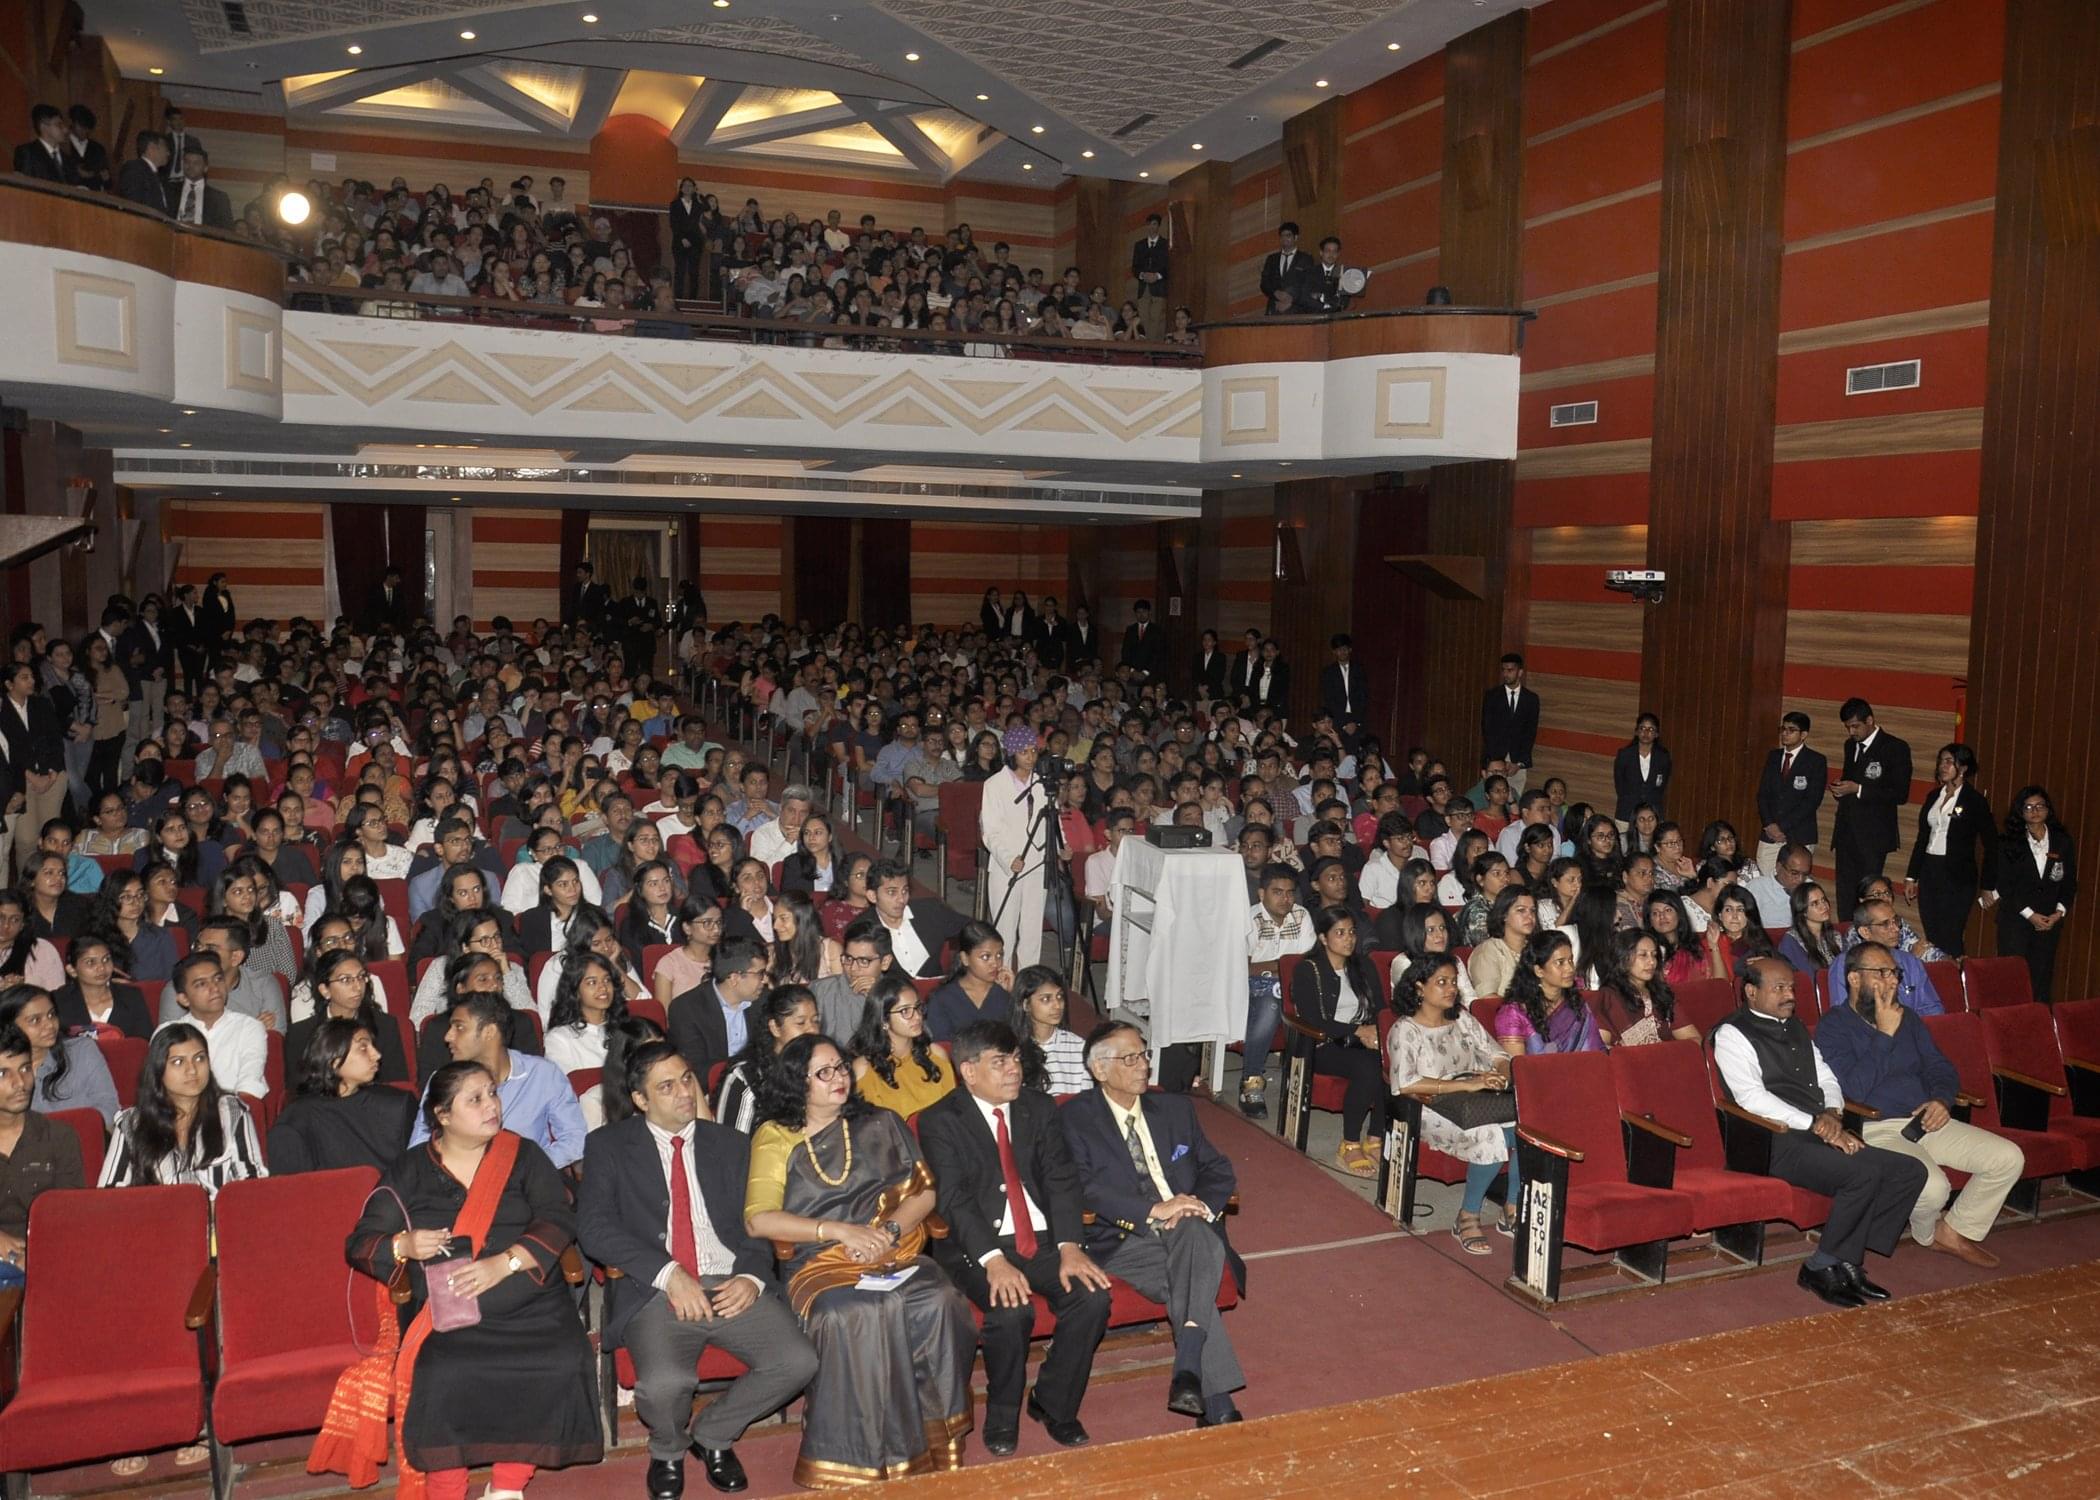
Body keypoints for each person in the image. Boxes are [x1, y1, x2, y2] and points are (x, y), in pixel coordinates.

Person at [334, 1062, 602, 1500]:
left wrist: (505, 1263)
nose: (491, 1105)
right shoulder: (410, 1169)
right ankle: (448, 1487)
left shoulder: (523, 1154)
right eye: (475, 1099)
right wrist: (404, 1244)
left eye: (492, 1093)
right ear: (442, 1115)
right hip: (451, 1311)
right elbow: (361, 1242)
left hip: (530, 1301)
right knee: (441, 1372)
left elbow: (557, 1216)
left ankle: (507, 1485)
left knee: (561, 1358)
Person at [579, 1040, 819, 1499]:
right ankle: (668, 1448)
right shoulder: (609, 1146)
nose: (685, 1092)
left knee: (798, 1362)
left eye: (687, 1079)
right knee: (666, 1384)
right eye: (666, 1087)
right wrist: (669, 1274)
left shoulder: (730, 1143)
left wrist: (751, 1276)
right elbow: (593, 1228)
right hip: (656, 1289)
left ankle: (713, 1433)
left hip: (730, 1281)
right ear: (640, 1099)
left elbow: (757, 1219)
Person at [743, 1034, 976, 1485]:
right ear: (797, 1082)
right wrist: (838, 1231)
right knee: (855, 1314)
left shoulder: (881, 1122)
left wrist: (888, 1232)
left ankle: (939, 1439)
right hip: (820, 1260)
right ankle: (856, 1456)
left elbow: (924, 1193)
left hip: (891, 1248)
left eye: (841, 1067)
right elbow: (759, 1220)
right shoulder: (775, 1136)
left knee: (939, 1300)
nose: (839, 1078)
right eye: (824, 1072)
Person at [917, 1020, 1112, 1456]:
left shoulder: (1037, 1108)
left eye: (1017, 1059)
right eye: (1000, 1062)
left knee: (1091, 1296)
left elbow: (1061, 1178)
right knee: (1011, 1309)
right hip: (976, 1247)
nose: (1014, 1070)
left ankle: (1054, 1402)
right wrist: (993, 1260)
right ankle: (1002, 1413)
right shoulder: (940, 1120)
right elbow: (954, 1200)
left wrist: (1070, 1246)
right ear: (968, 1071)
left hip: (1041, 1238)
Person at [1710, 955, 1930, 1308]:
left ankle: (1845, 1256)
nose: (1789, 995)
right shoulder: (1731, 1033)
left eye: (1791, 987)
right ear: (1751, 992)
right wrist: (1816, 1124)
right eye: (1779, 988)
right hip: (1773, 1141)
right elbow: (1751, 1098)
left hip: (1818, 1131)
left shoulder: (1795, 1025)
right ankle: (1819, 1266)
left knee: (1908, 1171)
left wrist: (1831, 1112)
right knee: (1862, 1175)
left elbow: (1826, 1076)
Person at [1062, 1021, 1246, 1424]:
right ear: (1099, 1069)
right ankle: (1213, 1396)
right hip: (1123, 1237)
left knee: (1191, 1232)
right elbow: (1082, 1186)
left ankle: (1192, 1370)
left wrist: (1197, 1205)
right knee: (1191, 1276)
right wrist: (1152, 1210)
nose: (1144, 1065)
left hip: (1188, 1228)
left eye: (1143, 1055)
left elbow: (1218, 1168)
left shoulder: (1175, 1109)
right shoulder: (1075, 1118)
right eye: (1130, 1059)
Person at [1816, 943, 2023, 1270]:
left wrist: (1941, 1100)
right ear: (1854, 979)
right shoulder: (1833, 1026)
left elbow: (1941, 1068)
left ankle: (1952, 1231)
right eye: (1881, 973)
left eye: (1895, 973)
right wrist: (1884, 1035)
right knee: (1934, 1188)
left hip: (1926, 1121)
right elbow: (1852, 1089)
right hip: (1876, 1128)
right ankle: (1928, 1234)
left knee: (2008, 1158)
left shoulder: (1907, 1018)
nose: (1892, 981)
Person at [1385, 953, 1518, 1254]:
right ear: (1419, 987)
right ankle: (1467, 1216)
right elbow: (1405, 1083)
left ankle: (1511, 1208)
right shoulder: (1405, 1030)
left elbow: (1498, 1054)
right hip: (1431, 1106)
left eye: (1454, 982)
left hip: (1476, 1100)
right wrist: (1465, 1085)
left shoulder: (1462, 1019)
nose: (1451, 989)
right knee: (1490, 1135)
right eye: (1441, 982)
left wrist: (1500, 1074)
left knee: (1526, 1128)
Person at [409, 993, 587, 1170]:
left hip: (527, 1182)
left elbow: (575, 1139)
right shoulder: (444, 1081)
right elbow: (419, 1147)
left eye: (459, 1027)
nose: (448, 1036)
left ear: (489, 1032)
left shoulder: (543, 1074)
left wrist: (527, 1169)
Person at [97, 1022, 265, 1195]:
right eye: (178, 1062)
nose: (192, 1070)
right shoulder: (132, 1124)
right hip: (156, 1211)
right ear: (158, 1070)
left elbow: (253, 1185)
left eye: (199, 1059)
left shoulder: (231, 1112)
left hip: (217, 1211)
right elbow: (109, 1195)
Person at [1288, 905, 1387, 1176]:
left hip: (1363, 1040)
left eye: (1352, 932)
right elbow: (1314, 1020)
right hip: (1322, 1043)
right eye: (1340, 933)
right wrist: (1358, 1031)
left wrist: (1377, 1033)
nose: (1349, 939)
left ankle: (1375, 1136)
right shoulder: (1308, 970)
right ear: (1323, 937)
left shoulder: (1363, 965)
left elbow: (1380, 1008)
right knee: (1368, 1066)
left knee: (1390, 1060)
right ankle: (1349, 1143)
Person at [267, 1017, 418, 1175]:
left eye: (372, 1046)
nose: (377, 1055)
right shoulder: (296, 1121)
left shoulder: (397, 1105)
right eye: (363, 1048)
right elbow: (293, 1186)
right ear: (334, 1061)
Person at [0, 1021, 85, 1271]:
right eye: (3, 1073)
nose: (20, 1083)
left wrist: (33, 1258)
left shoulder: (59, 1137)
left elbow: (70, 1217)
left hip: (48, 1259)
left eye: (25, 1068)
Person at [1902, 743, 1999, 957]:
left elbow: (1992, 844)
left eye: (1949, 762)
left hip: (1957, 876)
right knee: (1932, 932)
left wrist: (1988, 885)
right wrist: (1911, 877)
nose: (1942, 766)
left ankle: (1954, 974)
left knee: (1951, 935)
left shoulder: (1974, 801)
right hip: (1930, 871)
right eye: (1941, 761)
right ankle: (1937, 973)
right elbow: (1922, 838)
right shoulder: (1933, 796)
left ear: (1963, 767)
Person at [1831, 698, 1912, 914]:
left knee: (1869, 895)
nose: (1851, 732)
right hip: (1846, 831)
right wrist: (1841, 789)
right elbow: (1851, 779)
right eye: (1848, 727)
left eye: (1855, 726)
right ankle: (1847, 932)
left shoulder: (1895, 747)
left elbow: (1900, 794)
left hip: (1873, 836)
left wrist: (1858, 789)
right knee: (1845, 894)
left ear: (1870, 720)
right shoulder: (1850, 746)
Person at [978, 727, 1049, 972]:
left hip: (1037, 863)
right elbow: (990, 831)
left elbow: (1052, 818)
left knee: (1032, 930)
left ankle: (1029, 979)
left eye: (1033, 751)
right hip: (1006, 866)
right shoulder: (994, 785)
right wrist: (1009, 859)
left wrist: (1060, 847)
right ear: (1011, 754)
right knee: (1005, 929)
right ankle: (1002, 978)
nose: (1030, 757)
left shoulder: (1042, 783)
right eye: (1024, 752)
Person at [1997, 785, 2076, 1002]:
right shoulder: (2008, 842)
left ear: (2048, 809)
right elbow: (2005, 885)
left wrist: (2059, 913)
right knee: (2012, 978)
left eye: (2040, 806)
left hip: (2049, 922)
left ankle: (2038, 1019)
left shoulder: (2062, 841)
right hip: (2016, 920)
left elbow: (2069, 883)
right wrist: (2030, 915)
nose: (2035, 811)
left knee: (2041, 980)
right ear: (2020, 812)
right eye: (2029, 807)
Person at [667, 933, 769, 1096]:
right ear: (734, 978)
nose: (765, 980)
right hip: (713, 1093)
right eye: (760, 974)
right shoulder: (686, 1009)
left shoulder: (764, 1000)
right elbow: (696, 1072)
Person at [155, 950, 267, 1098]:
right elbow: (158, 1086)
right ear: (184, 999)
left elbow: (250, 1084)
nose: (214, 988)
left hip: (234, 1107)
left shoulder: (249, 1027)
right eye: (201, 984)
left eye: (218, 979)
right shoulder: (167, 1032)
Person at [0, 982, 118, 1121]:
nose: (50, 1025)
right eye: (35, 1020)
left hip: (84, 1134)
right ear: (9, 1025)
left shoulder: (81, 1051)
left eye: (51, 1015)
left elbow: (109, 1109)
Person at [714, 984, 820, 1133]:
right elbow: (732, 1141)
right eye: (801, 1023)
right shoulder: (745, 1077)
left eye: (815, 1020)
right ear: (775, 1028)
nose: (813, 1029)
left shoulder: (821, 1067)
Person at [849, 969, 955, 1117]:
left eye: (917, 1007)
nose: (917, 1016)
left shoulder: (936, 1055)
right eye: (905, 1011)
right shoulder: (864, 1069)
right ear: (884, 1020)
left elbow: (955, 1114)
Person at [1494, 929, 1601, 1056]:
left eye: (1570, 960)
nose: (1570, 969)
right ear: (1539, 971)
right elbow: (1518, 1065)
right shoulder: (1514, 1014)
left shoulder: (1575, 1003)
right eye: (1560, 963)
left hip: (1586, 1068)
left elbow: (1595, 1051)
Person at [1586, 929, 1698, 1048]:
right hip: (1630, 1059)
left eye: (1654, 955)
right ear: (1623, 958)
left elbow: (1695, 1041)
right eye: (1643, 955)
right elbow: (1598, 1047)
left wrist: (1665, 1051)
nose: (1652, 962)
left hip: (1668, 1057)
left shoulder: (1661, 995)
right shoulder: (1608, 997)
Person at [1756, 712, 1828, 876]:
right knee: (1767, 878)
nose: (1785, 733)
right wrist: (1769, 824)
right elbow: (1763, 794)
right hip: (1770, 833)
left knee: (1794, 882)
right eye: (1783, 729)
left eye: (1791, 730)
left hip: (1799, 833)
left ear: (1803, 735)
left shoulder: (1815, 761)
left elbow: (1812, 801)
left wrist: (1781, 827)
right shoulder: (1773, 756)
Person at [924, 919, 1011, 1043]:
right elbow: (942, 1046)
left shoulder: (1004, 995)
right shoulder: (943, 999)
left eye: (999, 955)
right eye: (985, 957)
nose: (995, 963)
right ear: (965, 958)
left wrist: (1015, 996)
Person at [1009, 966, 1088, 1097]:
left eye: (1059, 996)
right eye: (1046, 999)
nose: (1057, 1005)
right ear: (1026, 1005)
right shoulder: (1010, 1048)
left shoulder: (1079, 1047)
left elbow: (1086, 1101)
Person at [1478, 654, 1539, 796]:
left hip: (1517, 759)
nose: (1506, 674)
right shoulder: (1492, 696)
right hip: (1495, 757)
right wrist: (1497, 761)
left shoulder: (1531, 699)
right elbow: (1487, 729)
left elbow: (1530, 732)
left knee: (1514, 796)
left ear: (1520, 672)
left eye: (1510, 670)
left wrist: (1519, 763)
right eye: (1503, 670)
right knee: (1493, 793)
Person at [1612, 713, 1670, 822]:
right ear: (1636, 732)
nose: (1646, 732)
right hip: (1627, 813)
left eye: (1651, 729)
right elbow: (1619, 786)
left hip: (1653, 815)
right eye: (1642, 728)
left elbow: (1662, 785)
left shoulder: (1663, 758)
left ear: (1656, 734)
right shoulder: (1625, 755)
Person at [1119, 598, 1167, 681]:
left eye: (1144, 611)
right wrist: (1132, 670)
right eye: (1138, 612)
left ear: (1149, 612)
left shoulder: (1157, 630)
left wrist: (1145, 672)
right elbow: (1125, 651)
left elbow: (1158, 653)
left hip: (1151, 673)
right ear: (1135, 613)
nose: (1141, 615)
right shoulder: (1130, 630)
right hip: (1132, 674)